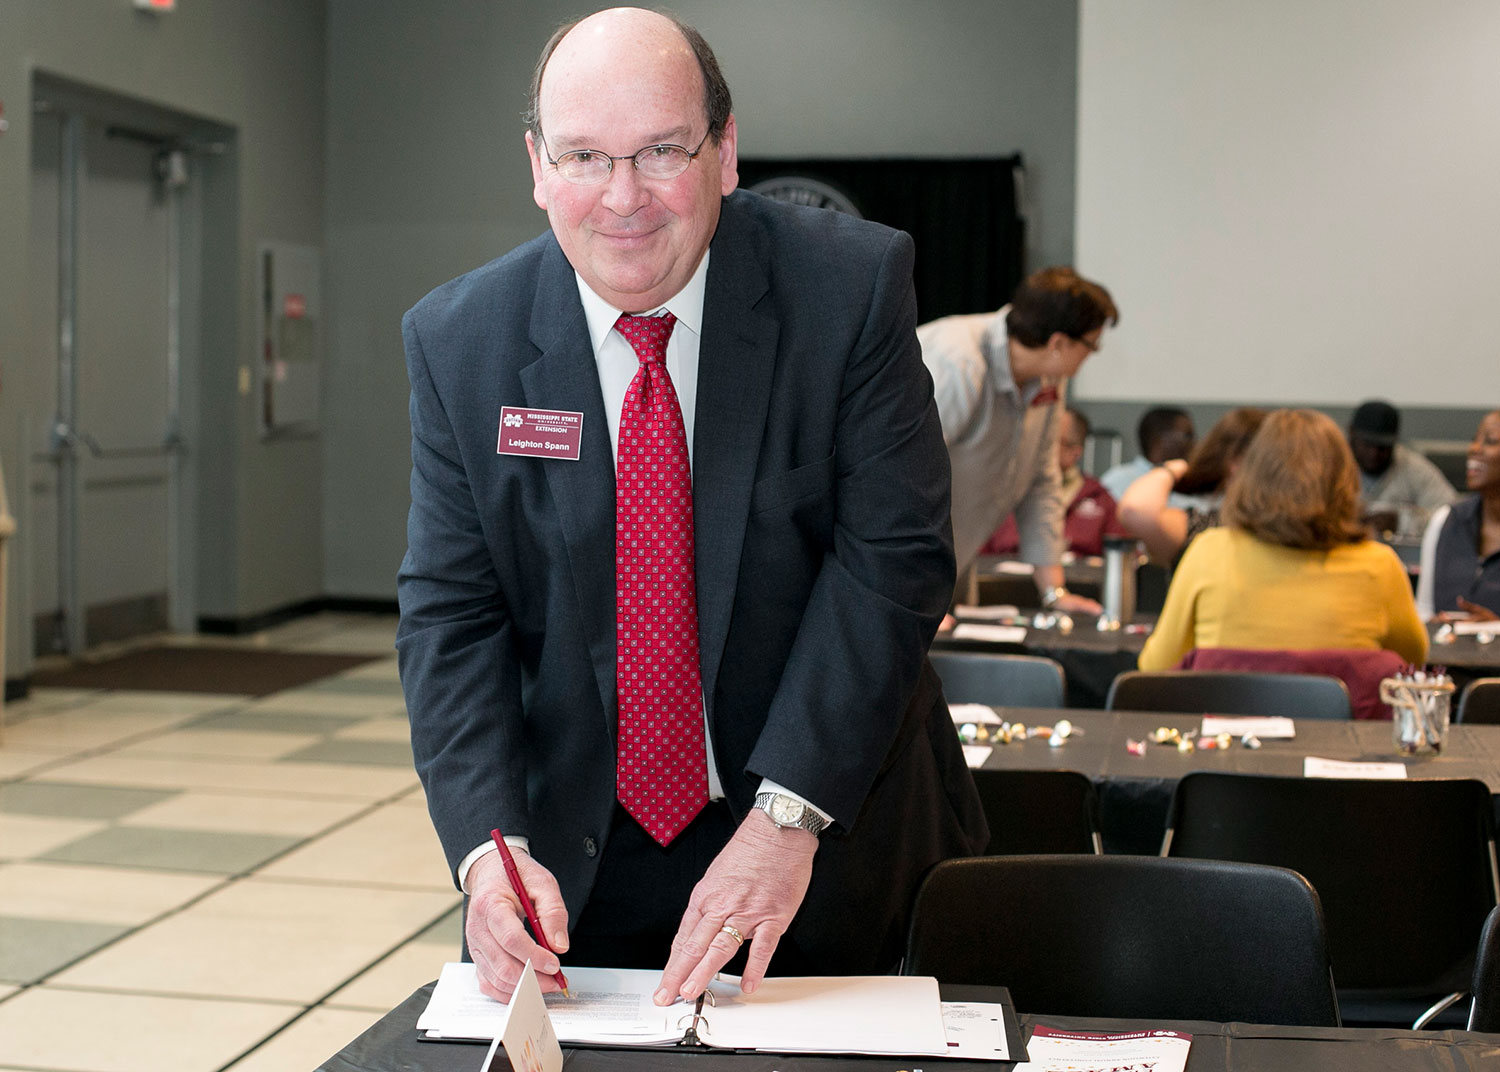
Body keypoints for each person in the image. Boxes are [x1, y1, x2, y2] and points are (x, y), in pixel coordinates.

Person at [396, 8, 986, 1010]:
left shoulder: (848, 290)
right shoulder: (463, 342)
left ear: (724, 151)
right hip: (582, 869)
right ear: (538, 165)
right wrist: (490, 853)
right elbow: (453, 615)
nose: (622, 198)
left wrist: (788, 818)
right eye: (585, 156)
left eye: (661, 150)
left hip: (827, 839)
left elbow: (894, 559)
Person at [1138, 409, 1428, 670]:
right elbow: (1413, 660)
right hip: (1340, 726)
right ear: (1343, 480)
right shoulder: (1380, 566)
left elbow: (1156, 666)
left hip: (1225, 726)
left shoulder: (1208, 552)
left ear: (1252, 473)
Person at [919, 266, 1118, 615]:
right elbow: (898, 482)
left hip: (945, 565)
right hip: (891, 575)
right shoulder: (958, 364)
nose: (1091, 356)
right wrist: (910, 599)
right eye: (1092, 345)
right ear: (1058, 343)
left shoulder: (1048, 377)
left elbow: (1042, 479)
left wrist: (1053, 593)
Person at [1117, 406, 1267, 567]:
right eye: (1188, 436)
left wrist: (1172, 469)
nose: (1194, 442)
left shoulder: (1210, 529)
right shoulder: (1214, 525)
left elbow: (1135, 510)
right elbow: (1135, 511)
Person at [983, 407, 1121, 558]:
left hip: (1077, 577)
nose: (1037, 445)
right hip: (1004, 577)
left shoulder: (1101, 499)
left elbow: (1123, 557)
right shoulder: (1002, 491)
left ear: (1075, 451)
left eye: (1049, 440)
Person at [1415, 409, 1500, 621]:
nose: (1474, 449)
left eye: (1490, 441)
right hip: (1445, 653)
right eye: (1474, 441)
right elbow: (1423, 609)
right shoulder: (1445, 521)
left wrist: (1494, 629)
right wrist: (1433, 625)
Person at [1347, 399, 1457, 539]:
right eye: (1367, 444)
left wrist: (1402, 522)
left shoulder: (1413, 467)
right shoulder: (1332, 465)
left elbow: (1451, 516)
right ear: (1351, 434)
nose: (1374, 453)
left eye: (1383, 447)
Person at [1099, 406, 1196, 504]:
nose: (1194, 443)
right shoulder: (1119, 480)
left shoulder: (1191, 484)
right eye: (1187, 436)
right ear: (1158, 439)